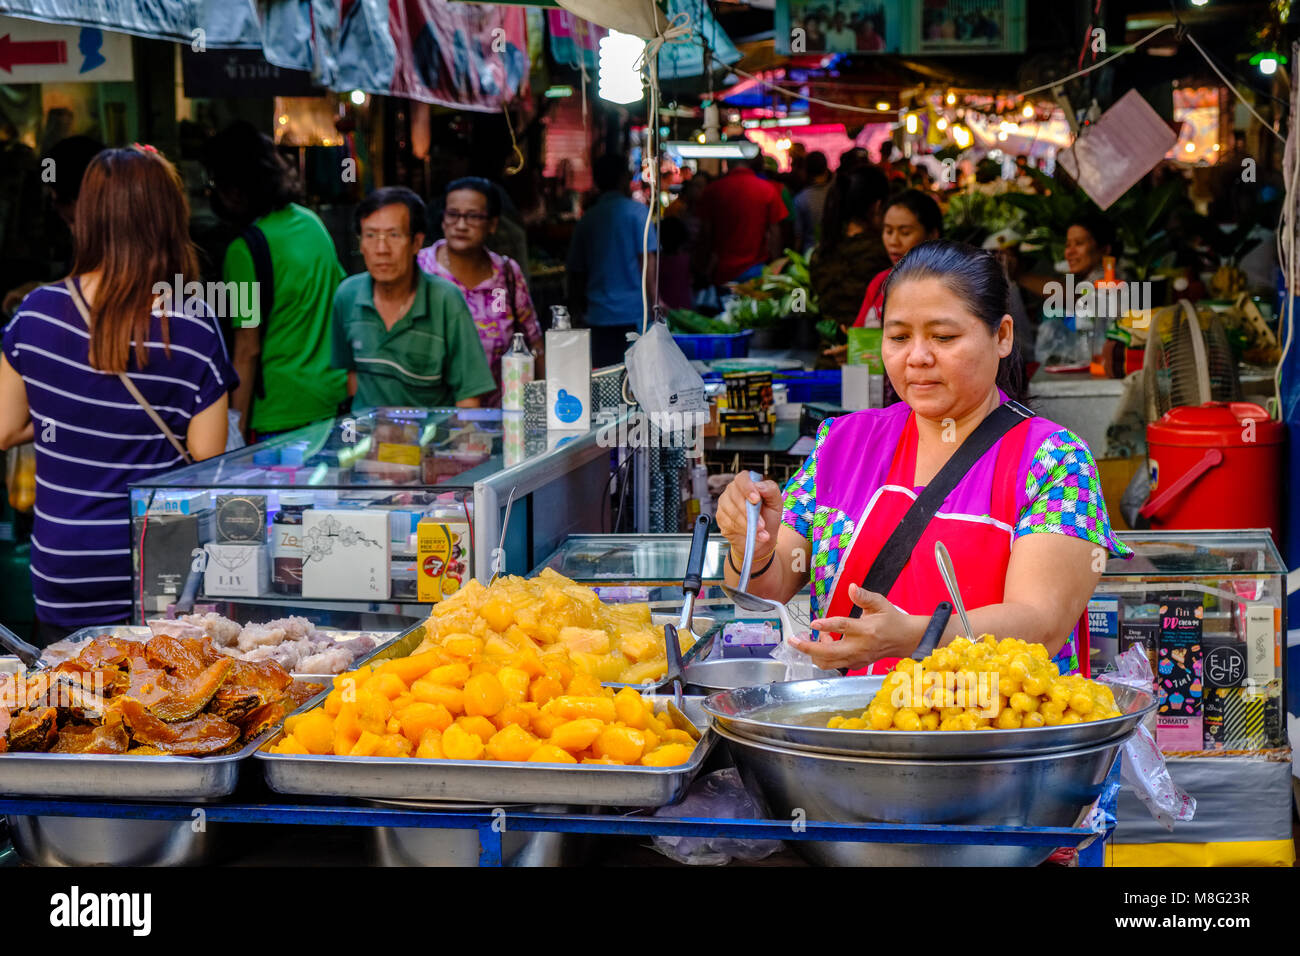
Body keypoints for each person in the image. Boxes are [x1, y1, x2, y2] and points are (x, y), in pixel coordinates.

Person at [715, 240, 1130, 677]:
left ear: (1002, 336)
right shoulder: (841, 443)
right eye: (898, 337)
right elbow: (772, 586)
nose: (917, 357)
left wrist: (911, 636)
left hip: (1000, 736)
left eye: (943, 337)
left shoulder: (1055, 460)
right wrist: (751, 546)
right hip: (855, 732)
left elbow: (1041, 625)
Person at [0, 146, 235, 642]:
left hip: (67, 564)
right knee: (165, 706)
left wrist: (65, 412)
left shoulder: (35, 313)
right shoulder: (192, 323)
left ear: (85, 218)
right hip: (159, 566)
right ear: (171, 218)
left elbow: (4, 429)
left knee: (68, 704)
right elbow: (208, 454)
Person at [204, 121, 347, 440]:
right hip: (331, 403)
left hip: (278, 417)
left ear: (234, 188)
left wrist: (236, 430)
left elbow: (247, 348)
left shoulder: (244, 251)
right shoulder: (312, 223)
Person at [333, 187, 496, 410]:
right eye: (370, 235)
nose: (381, 249)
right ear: (361, 243)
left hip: (428, 441)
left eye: (394, 235)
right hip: (368, 442)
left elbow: (468, 397)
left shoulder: (446, 300)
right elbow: (351, 375)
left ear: (417, 243)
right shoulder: (347, 296)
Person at [417, 177, 543, 405]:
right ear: (443, 220)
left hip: (502, 418)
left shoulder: (506, 274)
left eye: (473, 216)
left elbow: (534, 343)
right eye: (453, 214)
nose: (461, 225)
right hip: (434, 419)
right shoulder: (420, 269)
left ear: (492, 224)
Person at [566, 154, 658, 367]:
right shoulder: (638, 213)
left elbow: (576, 272)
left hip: (598, 315)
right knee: (636, 379)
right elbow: (648, 260)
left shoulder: (587, 219)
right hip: (634, 313)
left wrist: (576, 310)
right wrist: (655, 301)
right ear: (623, 179)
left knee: (605, 377)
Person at [809, 164, 892, 329]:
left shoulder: (821, 252)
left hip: (829, 347)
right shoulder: (883, 252)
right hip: (869, 351)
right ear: (877, 206)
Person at [853, 189, 943, 327]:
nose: (893, 241)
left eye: (905, 232)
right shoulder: (879, 283)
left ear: (932, 235)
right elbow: (859, 335)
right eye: (888, 231)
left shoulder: (948, 288)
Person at [696, 154, 789, 286]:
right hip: (756, 270)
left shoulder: (713, 190)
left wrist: (702, 267)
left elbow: (705, 233)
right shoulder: (767, 190)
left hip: (722, 271)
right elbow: (775, 233)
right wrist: (775, 266)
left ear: (727, 163)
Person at [793, 150, 832, 254]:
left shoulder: (801, 199)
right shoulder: (836, 192)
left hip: (810, 253)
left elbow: (798, 236)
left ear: (806, 171)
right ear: (826, 168)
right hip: (833, 251)